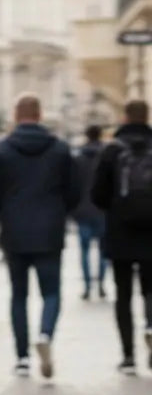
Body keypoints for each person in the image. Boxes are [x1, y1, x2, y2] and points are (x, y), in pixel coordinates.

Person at [0, 94, 80, 379]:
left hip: (14, 230)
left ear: (16, 115)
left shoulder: (1, 150)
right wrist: (60, 211)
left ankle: (22, 357)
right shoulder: (60, 149)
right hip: (49, 229)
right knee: (51, 291)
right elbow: (75, 191)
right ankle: (46, 334)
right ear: (40, 115)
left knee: (18, 295)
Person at [91, 99, 152, 375]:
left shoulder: (112, 150)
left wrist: (117, 208)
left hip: (121, 232)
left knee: (123, 294)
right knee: (150, 290)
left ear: (125, 117)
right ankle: (150, 328)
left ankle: (128, 356)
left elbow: (97, 195)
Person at [73, 124, 109, 301]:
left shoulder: (78, 158)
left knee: (85, 251)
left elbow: (72, 186)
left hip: (82, 210)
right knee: (103, 250)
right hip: (103, 210)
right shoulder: (108, 156)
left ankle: (87, 286)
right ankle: (101, 283)